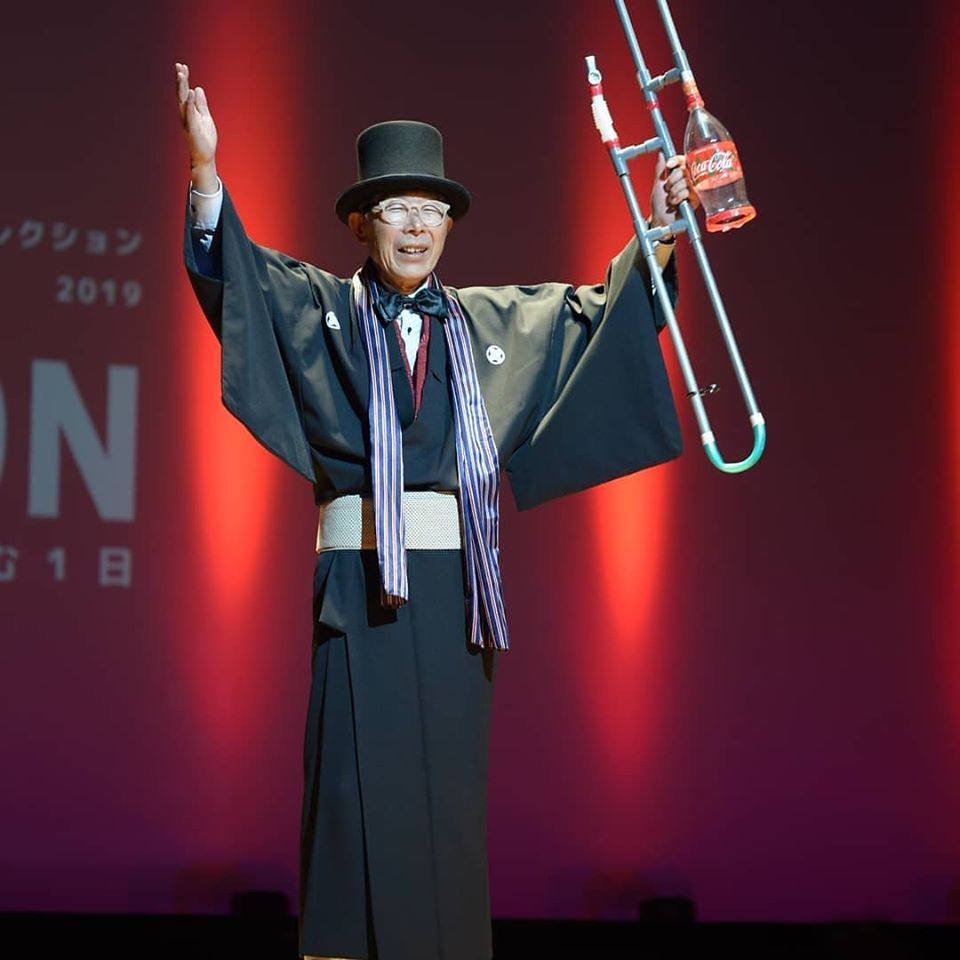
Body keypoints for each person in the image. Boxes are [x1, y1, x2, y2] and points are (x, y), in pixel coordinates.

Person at [175, 61, 697, 960]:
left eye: (431, 209)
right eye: (395, 207)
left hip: (458, 596)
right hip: (356, 590)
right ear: (360, 222)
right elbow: (238, 281)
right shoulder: (320, 308)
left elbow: (599, 317)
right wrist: (205, 174)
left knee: (446, 807)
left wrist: (655, 233)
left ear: (450, 224)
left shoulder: (494, 324)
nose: (415, 226)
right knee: (351, 797)